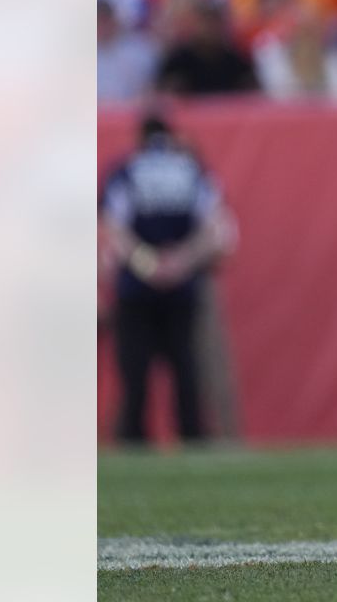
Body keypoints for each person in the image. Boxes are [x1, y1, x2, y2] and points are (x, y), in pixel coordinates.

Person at [100, 112, 235, 444]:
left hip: (136, 288)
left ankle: (134, 439)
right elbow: (215, 228)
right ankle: (191, 436)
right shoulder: (191, 171)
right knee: (185, 369)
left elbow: (114, 229)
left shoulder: (126, 172)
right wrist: (179, 262)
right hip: (182, 285)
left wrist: (147, 264)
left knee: (136, 373)